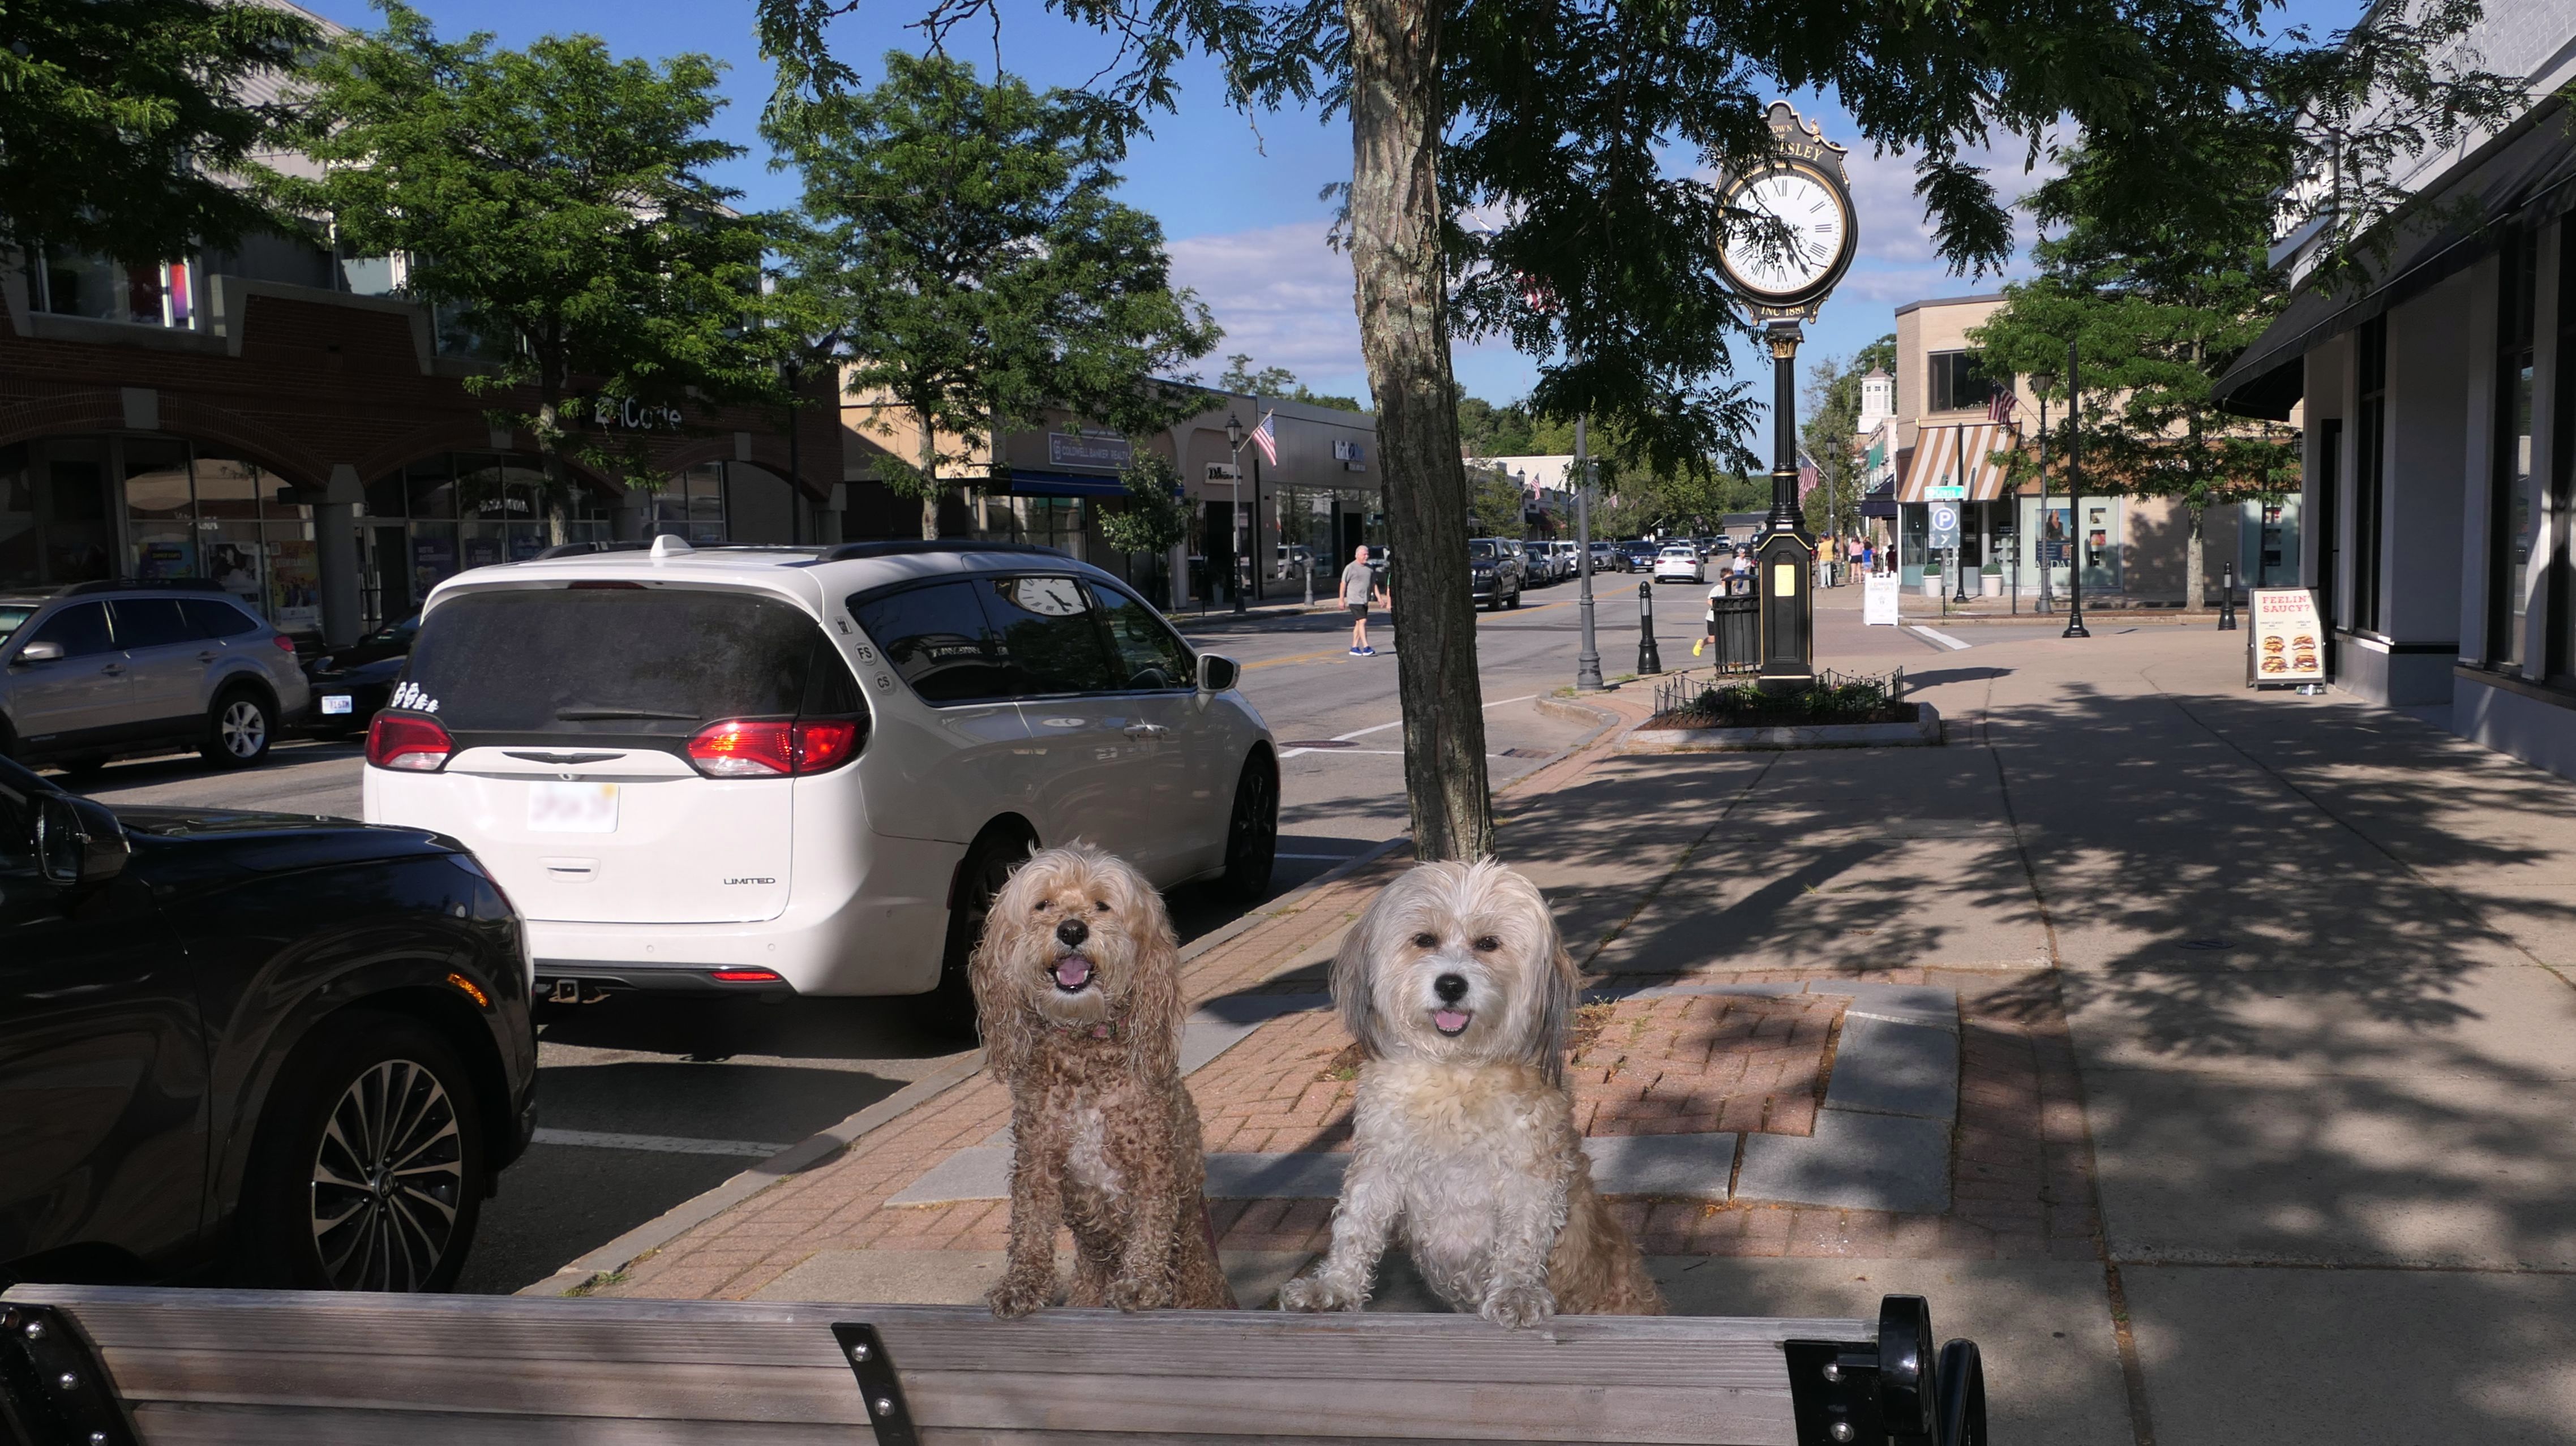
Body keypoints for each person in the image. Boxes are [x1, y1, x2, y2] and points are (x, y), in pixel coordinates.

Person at [1341, 544, 1387, 656]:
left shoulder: (1369, 568)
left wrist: (1379, 598)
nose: (1366, 556)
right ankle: (1366, 647)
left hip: (1364, 599)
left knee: (1359, 623)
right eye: (1364, 554)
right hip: (1354, 599)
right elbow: (1343, 584)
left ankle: (1354, 647)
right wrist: (1341, 599)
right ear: (1357, 555)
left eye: (1367, 554)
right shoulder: (1350, 567)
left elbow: (1373, 584)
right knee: (1363, 621)